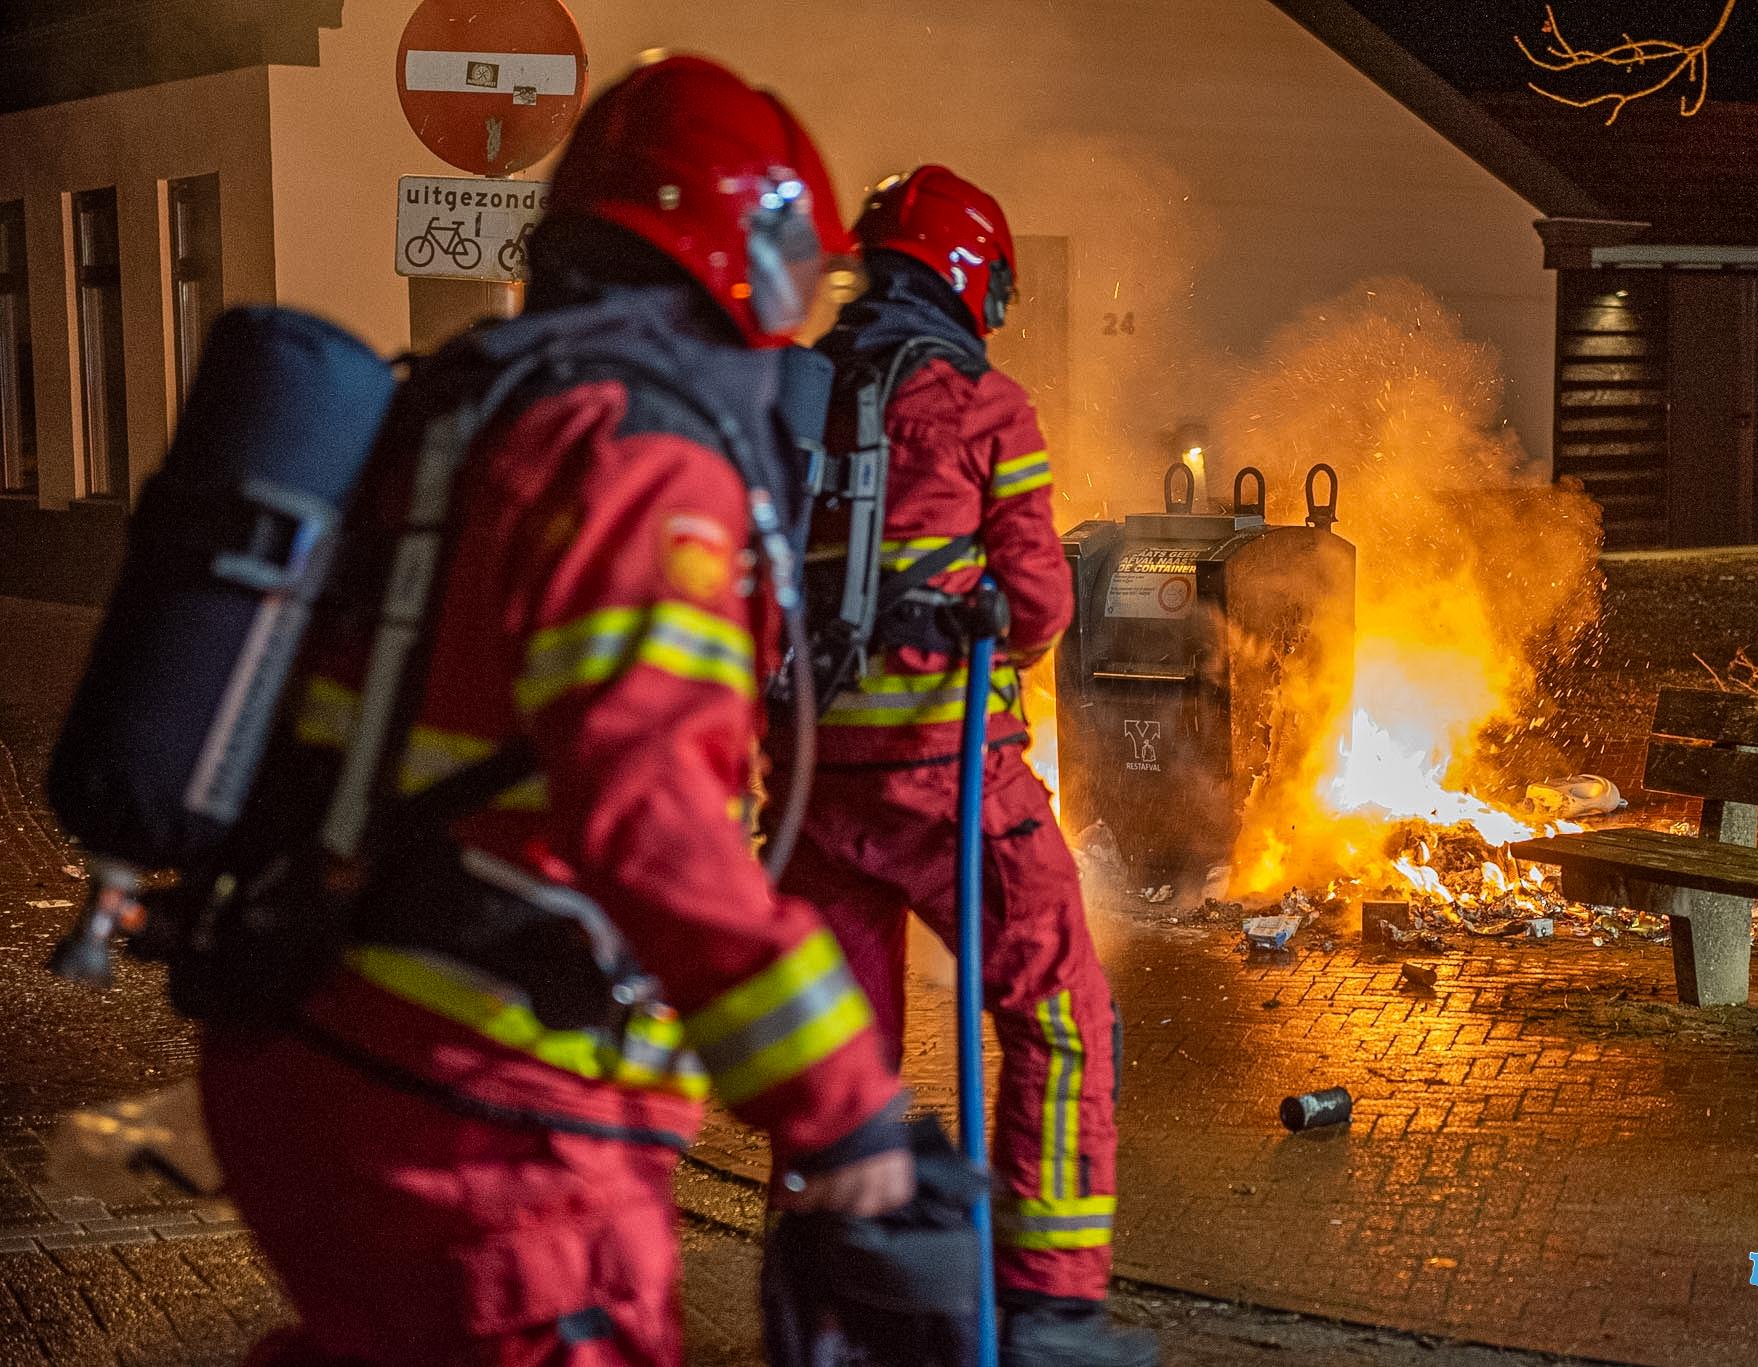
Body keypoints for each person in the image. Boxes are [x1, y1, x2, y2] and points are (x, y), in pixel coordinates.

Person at [198, 56, 910, 1365]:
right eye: (801, 272)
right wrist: (844, 1106)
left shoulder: (467, 403)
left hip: (311, 1047)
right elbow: (650, 811)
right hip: (484, 1119)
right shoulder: (645, 460)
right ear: (736, 249)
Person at [781, 165, 1155, 1367]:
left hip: (805, 789)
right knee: (1058, 1012)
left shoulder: (787, 397)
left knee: (837, 1052)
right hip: (953, 784)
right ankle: (1042, 1303)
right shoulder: (984, 406)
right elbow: (1039, 599)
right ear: (966, 277)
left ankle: (841, 1297)